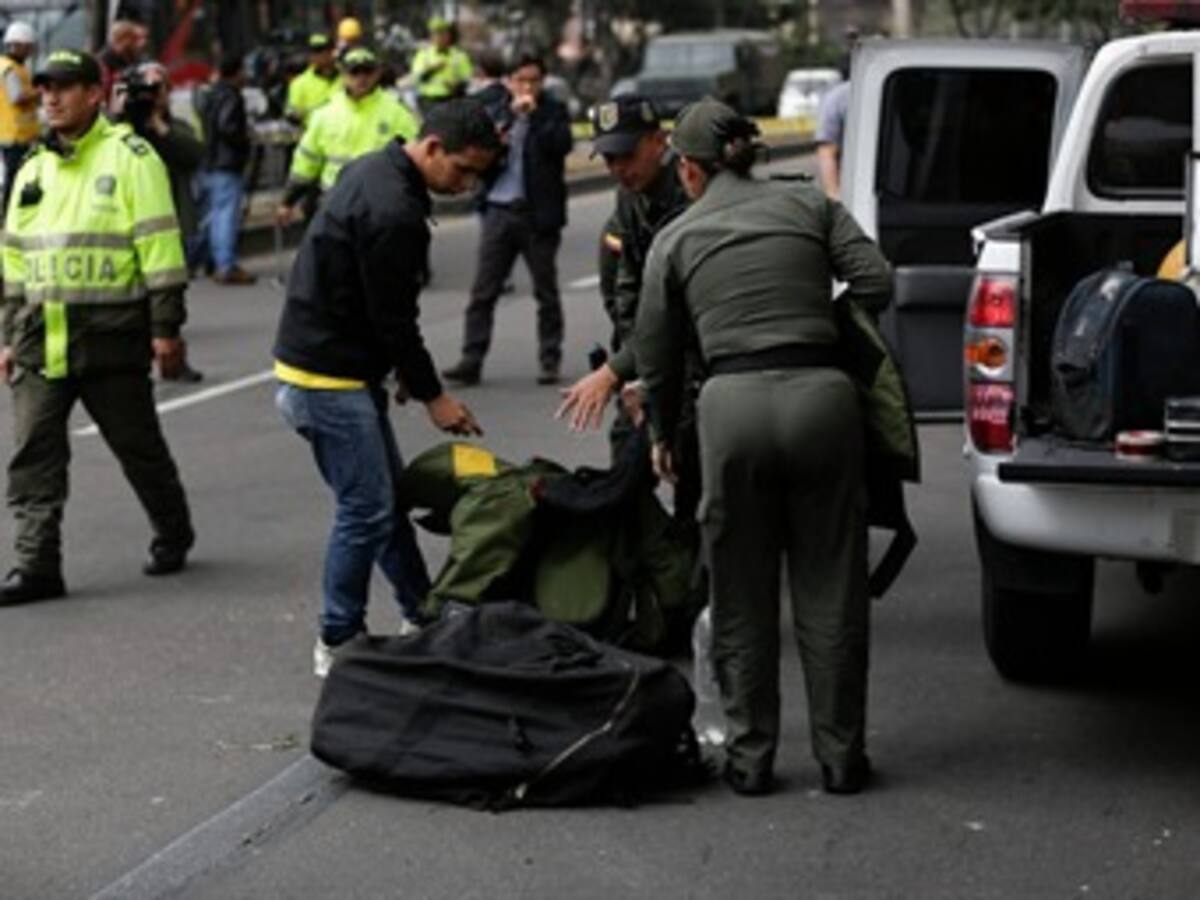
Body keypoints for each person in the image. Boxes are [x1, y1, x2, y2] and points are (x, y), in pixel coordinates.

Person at [635, 98, 892, 797]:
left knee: (741, 593)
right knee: (831, 587)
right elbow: (876, 280)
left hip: (731, 409)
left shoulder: (676, 237)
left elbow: (654, 359)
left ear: (688, 169)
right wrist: (821, 324)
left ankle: (752, 760)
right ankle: (841, 758)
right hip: (823, 398)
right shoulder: (809, 205)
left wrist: (664, 434)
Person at [272, 100, 500, 677]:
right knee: (366, 510)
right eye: (462, 170)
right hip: (326, 381)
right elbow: (394, 318)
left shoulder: (375, 167)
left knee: (384, 502)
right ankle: (339, 637)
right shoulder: (394, 210)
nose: (467, 185)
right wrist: (434, 397)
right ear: (430, 148)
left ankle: (422, 613)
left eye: (478, 175)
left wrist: (390, 368)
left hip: (331, 365)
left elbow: (367, 303)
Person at [0, 50, 196, 605]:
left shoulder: (132, 158)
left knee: (139, 450)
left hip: (110, 338)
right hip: (42, 340)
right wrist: (10, 337)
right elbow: (12, 261)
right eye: (44, 90)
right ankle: (37, 566)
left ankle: (173, 530)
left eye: (64, 88)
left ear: (94, 93)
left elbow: (161, 249)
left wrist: (166, 329)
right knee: (34, 456)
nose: (51, 99)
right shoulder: (33, 167)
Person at [557, 96, 690, 465]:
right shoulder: (628, 200)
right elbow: (623, 299)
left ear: (658, 141)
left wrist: (627, 371)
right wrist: (632, 372)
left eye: (627, 155)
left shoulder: (689, 192)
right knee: (626, 463)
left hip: (695, 368)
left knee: (690, 475)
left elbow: (682, 313)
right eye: (609, 158)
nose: (617, 168)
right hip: (645, 360)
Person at [442, 54, 573, 387]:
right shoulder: (497, 109)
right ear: (510, 81)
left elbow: (560, 146)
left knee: (546, 292)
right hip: (499, 210)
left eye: (534, 80)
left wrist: (532, 120)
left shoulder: (553, 111)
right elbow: (479, 155)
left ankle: (549, 359)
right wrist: (509, 123)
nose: (526, 87)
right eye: (520, 80)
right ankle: (471, 359)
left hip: (537, 215)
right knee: (483, 291)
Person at [113, 61, 205, 383]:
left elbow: (194, 154)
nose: (153, 95)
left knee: (168, 292)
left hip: (167, 222)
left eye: (159, 88)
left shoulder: (173, 125)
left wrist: (158, 126)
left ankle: (174, 357)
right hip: (125, 223)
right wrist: (120, 115)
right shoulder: (115, 129)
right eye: (146, 89)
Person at [275, 46, 420, 224]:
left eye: (367, 71)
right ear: (343, 75)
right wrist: (288, 201)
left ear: (377, 74)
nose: (361, 78)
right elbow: (305, 163)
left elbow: (416, 157)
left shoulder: (397, 113)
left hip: (382, 205)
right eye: (354, 72)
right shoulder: (325, 115)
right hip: (336, 204)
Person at [197, 53, 256, 286]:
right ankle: (226, 265)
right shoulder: (232, 96)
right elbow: (228, 126)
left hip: (210, 160)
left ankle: (207, 260)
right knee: (226, 215)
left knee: (212, 215)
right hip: (226, 162)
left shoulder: (209, 94)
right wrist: (244, 140)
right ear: (237, 72)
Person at [0, 21, 38, 213]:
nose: (30, 51)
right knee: (13, 176)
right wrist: (41, 92)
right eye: (27, 47)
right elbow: (17, 97)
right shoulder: (8, 68)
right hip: (13, 134)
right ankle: (7, 213)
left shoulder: (17, 67)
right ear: (16, 45)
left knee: (17, 175)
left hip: (21, 133)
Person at [409, 17, 473, 114]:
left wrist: (457, 85)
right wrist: (431, 70)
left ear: (449, 36)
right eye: (437, 34)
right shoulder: (423, 55)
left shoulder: (459, 56)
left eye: (443, 34)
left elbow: (467, 78)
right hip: (429, 101)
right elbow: (417, 78)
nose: (440, 37)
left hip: (452, 99)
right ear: (431, 37)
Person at [285, 33, 339, 128]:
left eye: (322, 50)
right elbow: (291, 113)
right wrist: (295, 115)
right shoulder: (299, 83)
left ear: (332, 52)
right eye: (314, 51)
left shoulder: (348, 77)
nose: (317, 55)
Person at [97, 16, 149, 108]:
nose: (138, 44)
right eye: (134, 39)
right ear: (124, 39)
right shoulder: (104, 64)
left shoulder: (131, 59)